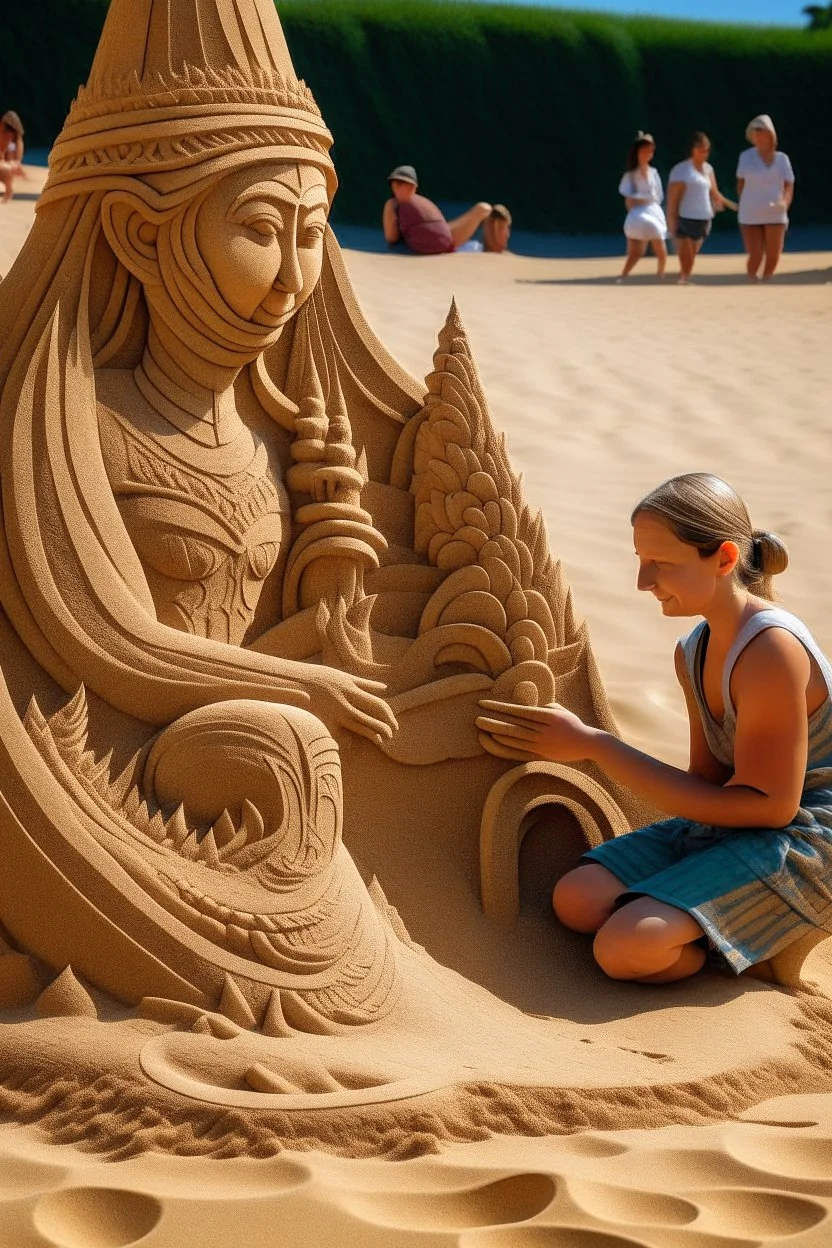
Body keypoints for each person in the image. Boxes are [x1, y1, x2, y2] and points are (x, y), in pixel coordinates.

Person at [476, 472, 832, 986]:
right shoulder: (693, 650)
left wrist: (593, 747)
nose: (643, 582)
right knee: (575, 900)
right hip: (737, 826)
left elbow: (772, 807)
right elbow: (705, 785)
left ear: (725, 560)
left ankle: (742, 945)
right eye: (641, 560)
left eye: (661, 563)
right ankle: (713, 926)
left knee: (624, 947)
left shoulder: (771, 652)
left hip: (804, 840)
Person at [382, 165, 505, 254]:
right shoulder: (420, 201)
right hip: (445, 238)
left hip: (441, 243)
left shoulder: (392, 204)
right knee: (482, 209)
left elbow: (391, 238)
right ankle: (494, 242)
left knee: (482, 209)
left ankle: (494, 242)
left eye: (398, 184)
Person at [666, 134, 737, 284]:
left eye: (707, 150)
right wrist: (671, 221)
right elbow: (673, 199)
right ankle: (683, 280)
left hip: (704, 219)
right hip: (684, 218)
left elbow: (715, 192)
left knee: (691, 255)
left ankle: (684, 276)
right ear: (693, 149)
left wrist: (727, 203)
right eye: (702, 149)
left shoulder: (708, 169)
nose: (705, 153)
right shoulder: (680, 171)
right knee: (686, 256)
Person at [737, 115, 795, 282]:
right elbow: (740, 184)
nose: (757, 135)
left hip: (775, 213)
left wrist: (784, 202)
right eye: (755, 132)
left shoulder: (782, 159)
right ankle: (751, 281)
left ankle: (767, 281)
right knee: (755, 255)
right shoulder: (745, 157)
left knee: (773, 254)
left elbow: (789, 185)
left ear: (771, 134)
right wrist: (745, 203)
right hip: (750, 213)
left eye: (761, 131)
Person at [617, 131, 667, 281]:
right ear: (638, 152)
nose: (648, 154)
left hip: (654, 213)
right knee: (636, 252)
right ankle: (623, 276)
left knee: (661, 252)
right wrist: (639, 201)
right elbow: (628, 197)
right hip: (638, 215)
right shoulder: (631, 174)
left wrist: (649, 202)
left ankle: (660, 277)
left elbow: (658, 195)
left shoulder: (654, 172)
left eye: (650, 151)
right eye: (645, 150)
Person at [0, 110, 25, 204]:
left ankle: (8, 192)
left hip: (10, 166)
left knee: (4, 168)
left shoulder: (12, 144)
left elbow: (15, 160)